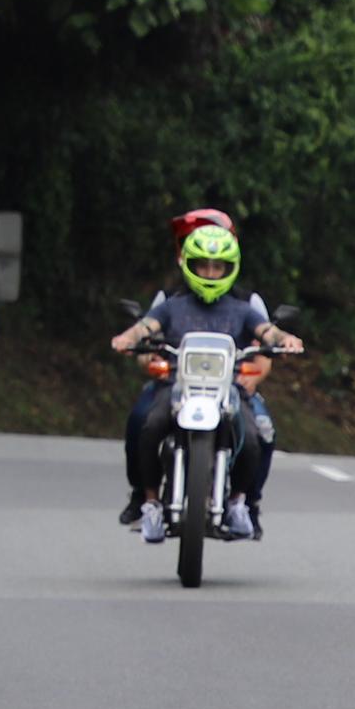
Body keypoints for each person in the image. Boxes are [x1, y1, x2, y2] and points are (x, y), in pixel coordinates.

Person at [111, 218, 299, 539]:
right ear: (187, 264)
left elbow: (267, 330)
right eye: (203, 266)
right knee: (149, 425)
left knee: (253, 437)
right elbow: (145, 327)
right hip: (177, 387)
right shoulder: (172, 305)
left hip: (228, 390)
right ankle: (151, 503)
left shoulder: (242, 308)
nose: (210, 274)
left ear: (231, 268)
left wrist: (285, 339)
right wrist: (127, 338)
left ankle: (240, 503)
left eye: (218, 267)